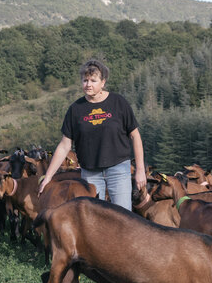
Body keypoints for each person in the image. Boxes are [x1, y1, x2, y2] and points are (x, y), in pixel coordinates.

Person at [38, 58, 146, 210]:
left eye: (93, 80)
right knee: (93, 217)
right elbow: (64, 146)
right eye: (85, 80)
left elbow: (135, 136)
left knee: (123, 215)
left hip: (118, 169)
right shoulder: (76, 109)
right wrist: (48, 177)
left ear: (103, 82)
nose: (88, 84)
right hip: (90, 173)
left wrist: (140, 170)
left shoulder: (118, 103)